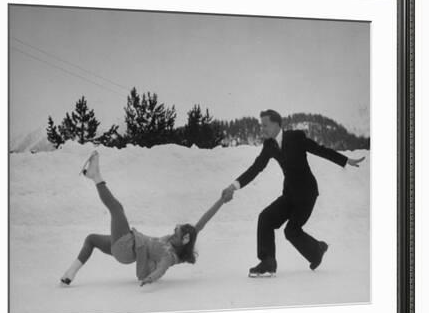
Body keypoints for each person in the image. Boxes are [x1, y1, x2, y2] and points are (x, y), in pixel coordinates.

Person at [221, 109, 365, 277]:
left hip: (307, 193)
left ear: (276, 124)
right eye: (261, 126)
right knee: (266, 217)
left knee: (291, 231)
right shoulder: (269, 145)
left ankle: (317, 250)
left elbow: (320, 150)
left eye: (265, 125)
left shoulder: (296, 137)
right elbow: (255, 168)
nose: (262, 129)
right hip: (289, 194)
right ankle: (268, 262)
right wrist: (233, 186)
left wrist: (345, 160)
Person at [61, 150, 229, 287]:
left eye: (176, 234)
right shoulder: (182, 239)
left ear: (183, 240)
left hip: (128, 246)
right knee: (91, 239)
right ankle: (70, 274)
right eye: (174, 231)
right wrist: (221, 201)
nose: (172, 234)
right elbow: (202, 223)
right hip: (125, 247)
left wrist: (150, 279)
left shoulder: (169, 255)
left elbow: (161, 270)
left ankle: (95, 176)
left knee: (117, 209)